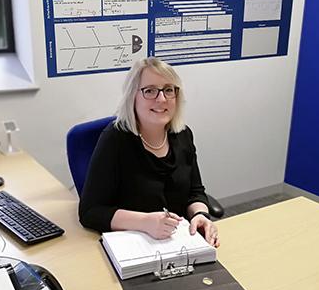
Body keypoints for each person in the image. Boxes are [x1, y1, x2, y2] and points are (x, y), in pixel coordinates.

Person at [78, 57, 220, 247]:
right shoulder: (115, 139)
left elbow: (195, 192)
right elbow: (90, 211)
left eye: (168, 90)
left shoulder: (183, 135)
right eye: (150, 90)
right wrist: (145, 222)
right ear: (133, 96)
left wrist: (200, 215)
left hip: (180, 242)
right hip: (134, 245)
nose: (161, 99)